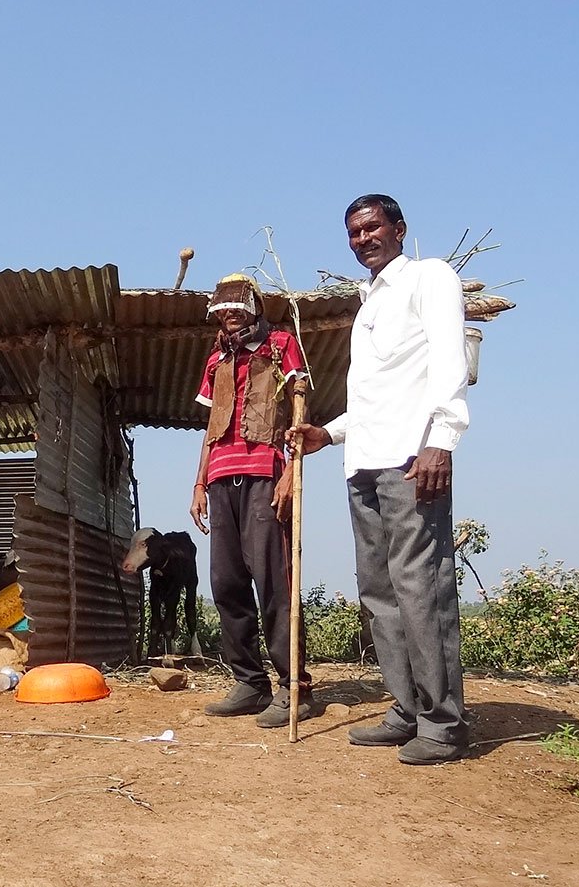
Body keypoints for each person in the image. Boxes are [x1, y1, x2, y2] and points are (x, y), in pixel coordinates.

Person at [293, 194, 471, 765]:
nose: (363, 237)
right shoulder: (369, 301)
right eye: (353, 231)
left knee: (421, 588)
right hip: (364, 463)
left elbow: (450, 360)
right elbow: (377, 395)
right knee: (378, 592)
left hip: (410, 461)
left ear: (399, 229)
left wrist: (441, 439)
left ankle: (443, 723)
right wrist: (330, 433)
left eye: (372, 227)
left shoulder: (430, 277)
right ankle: (407, 709)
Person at [191, 273, 312, 727]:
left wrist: (290, 476)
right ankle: (249, 682)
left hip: (265, 473)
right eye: (222, 309)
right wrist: (198, 483)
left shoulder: (280, 346)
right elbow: (208, 430)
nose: (230, 314)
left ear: (255, 308)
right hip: (221, 478)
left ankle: (295, 686)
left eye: (238, 307)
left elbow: (300, 414)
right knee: (226, 583)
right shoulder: (216, 360)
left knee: (274, 585)